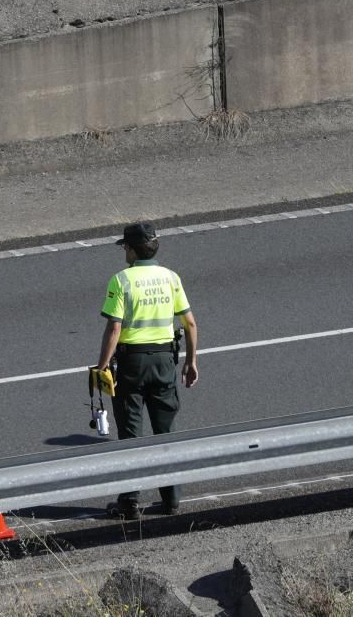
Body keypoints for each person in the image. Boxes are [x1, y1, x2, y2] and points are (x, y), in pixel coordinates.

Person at [95, 222, 199, 519]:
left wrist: (102, 367)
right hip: (165, 361)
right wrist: (191, 361)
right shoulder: (170, 277)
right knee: (165, 431)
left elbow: (114, 327)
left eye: (125, 247)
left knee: (131, 433)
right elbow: (190, 323)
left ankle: (129, 502)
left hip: (131, 365)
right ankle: (171, 500)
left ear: (130, 248)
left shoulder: (121, 280)